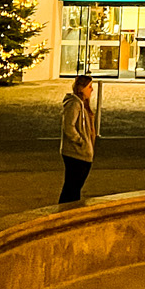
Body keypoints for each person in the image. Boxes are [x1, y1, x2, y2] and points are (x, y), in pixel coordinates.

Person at [59, 74, 97, 204]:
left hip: (83, 153)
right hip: (76, 153)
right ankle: (65, 213)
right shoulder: (74, 104)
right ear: (81, 88)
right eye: (89, 87)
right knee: (72, 188)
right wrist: (80, 141)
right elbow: (68, 126)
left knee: (74, 188)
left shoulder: (83, 104)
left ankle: (69, 211)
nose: (92, 90)